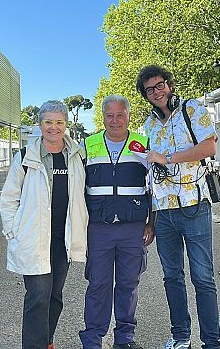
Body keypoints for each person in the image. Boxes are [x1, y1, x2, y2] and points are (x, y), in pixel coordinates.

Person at [135, 65, 220, 349]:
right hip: (163, 212)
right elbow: (148, 174)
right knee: (172, 277)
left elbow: (209, 147)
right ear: (145, 96)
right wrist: (149, 219)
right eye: (150, 90)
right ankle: (181, 336)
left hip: (194, 206)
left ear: (169, 85)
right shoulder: (147, 127)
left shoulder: (192, 109)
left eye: (160, 85)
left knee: (203, 278)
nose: (156, 92)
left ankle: (211, 342)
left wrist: (168, 158)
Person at [0, 100, 89, 349]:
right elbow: (9, 198)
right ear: (40, 125)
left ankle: (47, 341)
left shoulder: (76, 155)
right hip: (34, 238)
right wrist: (12, 231)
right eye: (48, 122)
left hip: (63, 239)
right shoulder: (25, 157)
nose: (54, 127)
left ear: (66, 125)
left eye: (59, 122)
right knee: (38, 296)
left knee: (55, 296)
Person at [79, 95, 154, 349]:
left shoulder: (142, 145)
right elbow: (77, 188)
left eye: (120, 115)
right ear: (103, 118)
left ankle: (124, 340)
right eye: (109, 115)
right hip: (98, 228)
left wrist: (151, 222)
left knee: (128, 285)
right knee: (98, 285)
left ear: (128, 116)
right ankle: (92, 339)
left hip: (132, 228)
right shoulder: (87, 146)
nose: (115, 120)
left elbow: (154, 187)